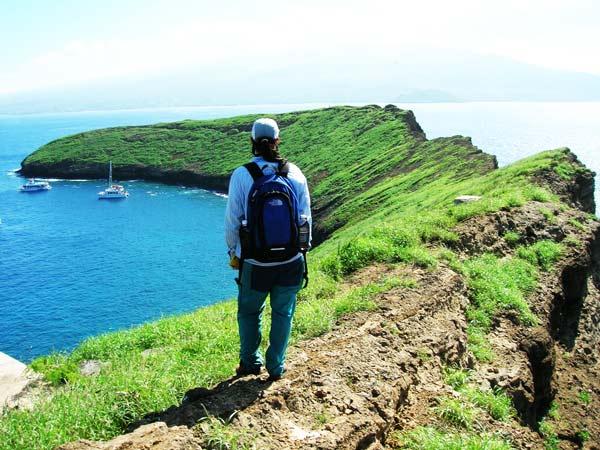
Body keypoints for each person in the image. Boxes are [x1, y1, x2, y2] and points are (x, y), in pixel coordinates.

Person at [225, 118, 311, 381]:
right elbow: (305, 219)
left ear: (252, 142)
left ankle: (251, 363)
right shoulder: (295, 173)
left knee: (250, 312)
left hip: (255, 261)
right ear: (277, 141)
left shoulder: (243, 175)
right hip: (290, 260)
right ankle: (276, 367)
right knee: (283, 312)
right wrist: (301, 251)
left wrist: (234, 253)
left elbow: (232, 220)